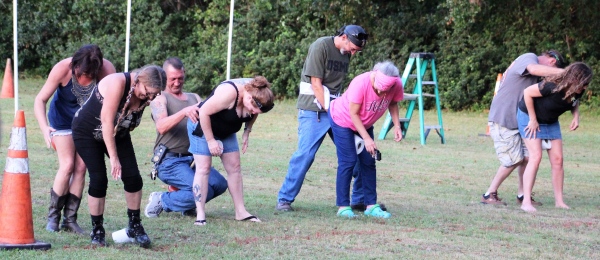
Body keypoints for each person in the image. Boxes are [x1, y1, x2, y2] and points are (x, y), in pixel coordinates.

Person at [276, 25, 369, 211]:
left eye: (357, 51)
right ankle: (284, 199)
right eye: (353, 48)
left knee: (359, 153)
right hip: (314, 111)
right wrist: (331, 110)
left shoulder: (346, 52)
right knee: (306, 155)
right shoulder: (321, 46)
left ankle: (359, 199)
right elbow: (316, 85)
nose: (353, 53)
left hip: (336, 109)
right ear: (343, 37)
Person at [72, 65, 166, 247]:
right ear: (138, 81)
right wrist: (114, 158)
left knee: (133, 178)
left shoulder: (146, 94)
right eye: (148, 93)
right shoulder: (118, 83)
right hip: (87, 132)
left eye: (155, 94)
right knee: (99, 179)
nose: (150, 98)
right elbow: (106, 120)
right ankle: (97, 230)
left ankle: (135, 225)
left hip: (118, 132)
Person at [34, 44, 116, 234]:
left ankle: (70, 219)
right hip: (61, 122)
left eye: (89, 76)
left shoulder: (107, 71)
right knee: (68, 165)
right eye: (80, 74)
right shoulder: (62, 68)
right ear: (75, 65)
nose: (84, 80)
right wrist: (44, 127)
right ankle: (53, 217)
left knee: (81, 167)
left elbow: (115, 99)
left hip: (86, 123)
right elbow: (40, 99)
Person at [144, 57, 228, 218]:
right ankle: (162, 199)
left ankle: (184, 201)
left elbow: (209, 118)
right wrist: (184, 112)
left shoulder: (194, 97)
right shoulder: (160, 98)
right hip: (169, 160)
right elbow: (161, 126)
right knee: (202, 190)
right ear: (164, 78)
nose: (177, 82)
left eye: (180, 78)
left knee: (219, 184)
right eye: (172, 79)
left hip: (193, 160)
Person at [481, 50, 565, 206]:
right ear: (552, 61)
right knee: (513, 159)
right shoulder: (529, 57)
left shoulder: (538, 75)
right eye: (554, 69)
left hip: (522, 120)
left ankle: (522, 195)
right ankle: (488, 194)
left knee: (528, 158)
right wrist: (565, 72)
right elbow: (533, 68)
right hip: (504, 118)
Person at [187, 76, 274, 225]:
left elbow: (255, 112)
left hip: (226, 129)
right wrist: (211, 141)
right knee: (204, 168)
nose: (253, 113)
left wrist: (247, 130)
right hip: (203, 126)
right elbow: (204, 113)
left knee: (235, 167)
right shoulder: (229, 93)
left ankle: (240, 212)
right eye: (252, 109)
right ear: (248, 97)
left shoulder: (259, 92)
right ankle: (200, 214)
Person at [329, 61, 403, 218]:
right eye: (380, 90)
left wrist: (397, 126)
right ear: (375, 77)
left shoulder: (396, 84)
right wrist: (367, 139)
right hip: (343, 120)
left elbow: (394, 103)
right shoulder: (360, 83)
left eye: (386, 91)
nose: (383, 95)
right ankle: (343, 207)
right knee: (348, 161)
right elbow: (353, 114)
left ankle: (371, 205)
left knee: (369, 161)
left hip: (365, 123)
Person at [518, 62, 592, 212]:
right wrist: (532, 119)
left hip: (550, 120)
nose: (585, 88)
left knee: (558, 160)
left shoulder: (578, 89)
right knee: (536, 157)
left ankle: (559, 201)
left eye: (586, 84)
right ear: (573, 79)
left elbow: (574, 102)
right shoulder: (552, 85)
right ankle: (526, 202)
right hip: (529, 116)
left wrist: (576, 116)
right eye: (583, 84)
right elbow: (527, 93)